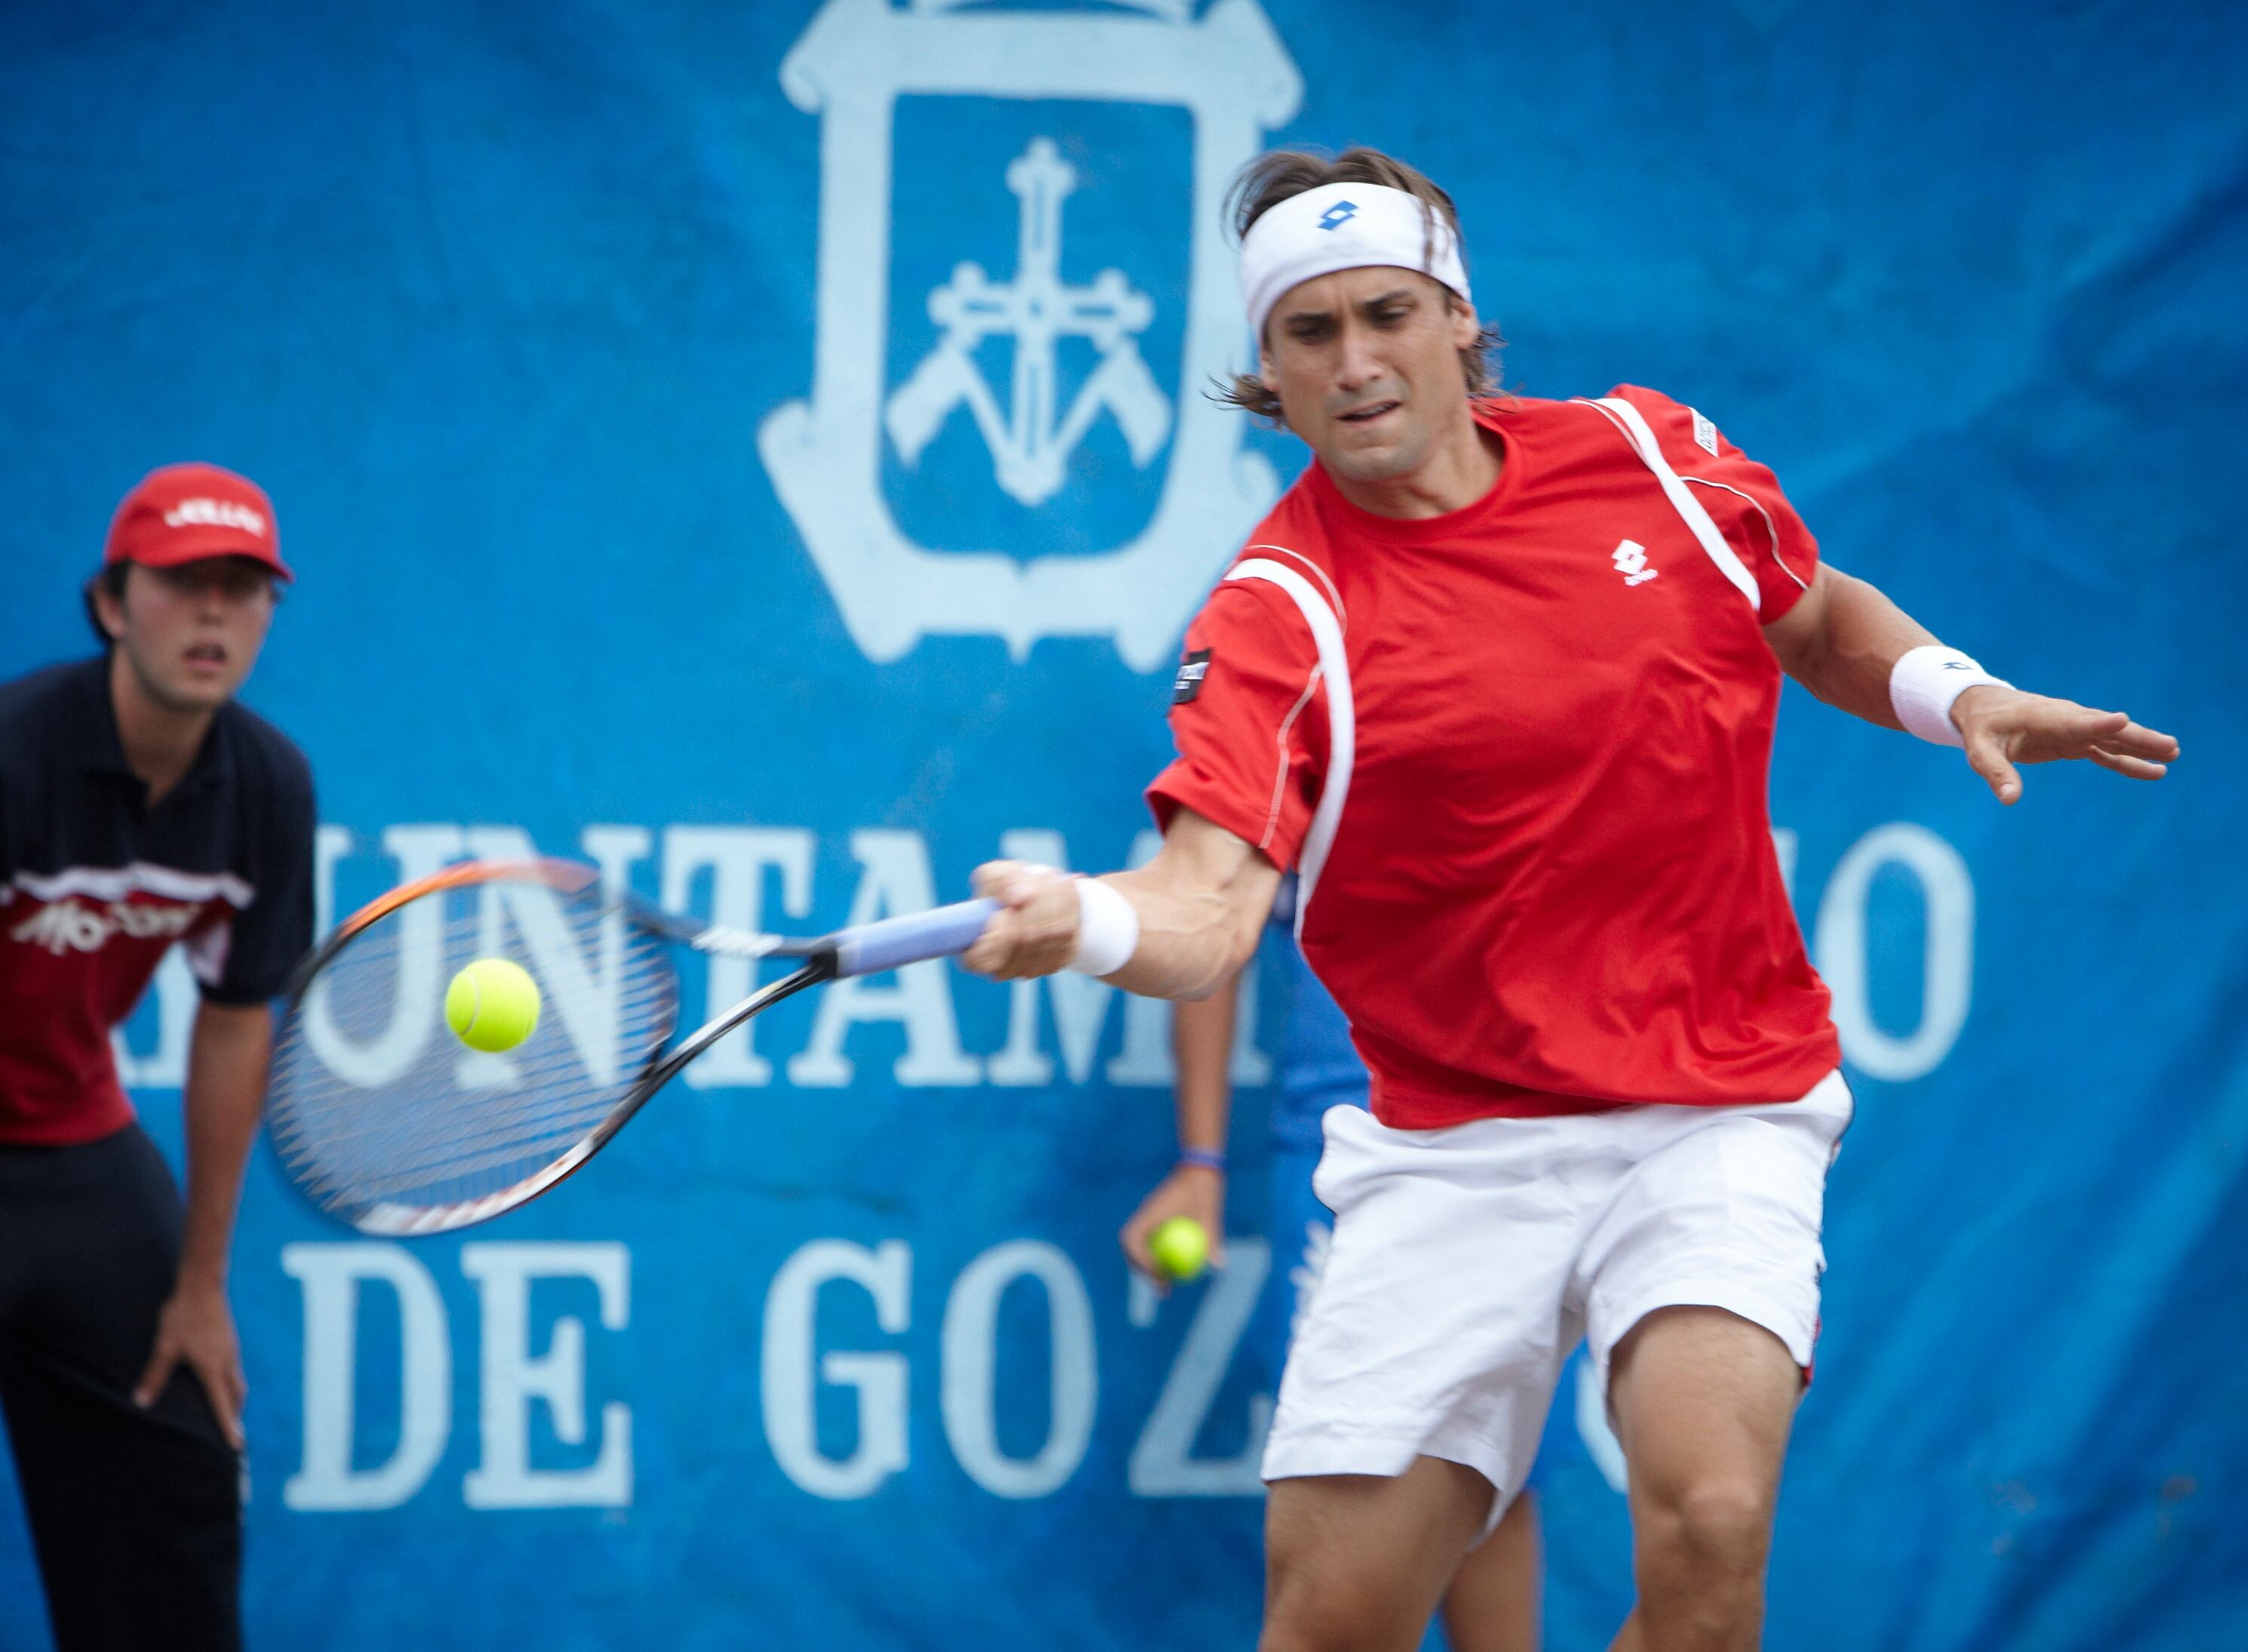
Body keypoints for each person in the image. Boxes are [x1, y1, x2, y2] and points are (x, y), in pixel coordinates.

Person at [964, 146, 2179, 1652]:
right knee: (1332, 1616)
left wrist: (1953, 690)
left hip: (1718, 1098)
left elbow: (1806, 613)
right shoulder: (1279, 612)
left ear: (1459, 323)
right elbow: (1206, 908)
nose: (1354, 361)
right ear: (1265, 374)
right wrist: (1083, 919)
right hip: (1452, 1145)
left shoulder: (1650, 455)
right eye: (1309, 333)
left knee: (1711, 1525)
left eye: (1386, 313)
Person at [0, 463, 314, 1651]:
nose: (215, 615)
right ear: (110, 603)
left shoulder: (268, 785)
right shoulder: (15, 753)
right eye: (184, 585)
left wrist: (199, 1285)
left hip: (79, 1162)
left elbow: (234, 1020)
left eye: (244, 590)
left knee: (175, 1494)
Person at [1121, 878, 1542, 1652]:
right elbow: (1212, 914)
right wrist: (1200, 1162)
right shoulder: (1293, 760)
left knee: (1497, 1471)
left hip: (1516, 1136)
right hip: (1342, 1157)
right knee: (1347, 1472)